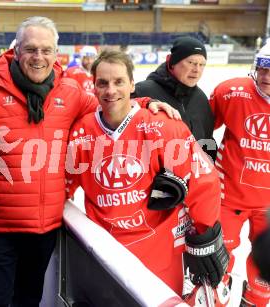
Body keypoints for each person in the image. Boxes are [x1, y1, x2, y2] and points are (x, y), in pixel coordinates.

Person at [65, 49, 228, 297]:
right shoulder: (80, 133)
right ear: (94, 87)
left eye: (119, 81)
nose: (111, 90)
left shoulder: (164, 125)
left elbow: (202, 182)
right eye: (103, 83)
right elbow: (62, 186)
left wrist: (205, 234)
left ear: (132, 84)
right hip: (105, 254)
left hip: (159, 254)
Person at [0, 16, 98, 307]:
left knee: (29, 300)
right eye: (31, 49)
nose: (38, 57)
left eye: (46, 50)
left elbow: (112, 108)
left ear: (56, 54)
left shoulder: (70, 93)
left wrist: (148, 104)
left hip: (43, 228)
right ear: (16, 51)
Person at [210, 43, 270, 307]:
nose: (266, 77)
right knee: (218, 259)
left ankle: (255, 301)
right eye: (262, 69)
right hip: (228, 195)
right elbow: (201, 128)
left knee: (266, 270)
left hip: (268, 204)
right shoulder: (230, 92)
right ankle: (218, 297)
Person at [133, 36, 217, 161]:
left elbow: (207, 141)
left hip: (193, 176)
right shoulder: (143, 92)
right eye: (191, 63)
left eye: (202, 65)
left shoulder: (200, 99)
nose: (197, 70)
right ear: (172, 63)